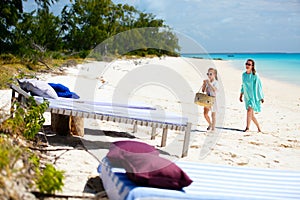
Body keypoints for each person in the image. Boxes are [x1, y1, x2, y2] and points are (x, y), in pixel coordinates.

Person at [239, 59, 264, 132]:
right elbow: (243, 86)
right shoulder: (243, 75)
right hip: (247, 97)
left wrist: (261, 97)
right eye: (246, 64)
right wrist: (241, 95)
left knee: (249, 111)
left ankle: (247, 128)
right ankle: (259, 128)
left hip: (253, 97)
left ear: (252, 66)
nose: (247, 65)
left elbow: (259, 86)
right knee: (251, 115)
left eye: (249, 64)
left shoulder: (255, 75)